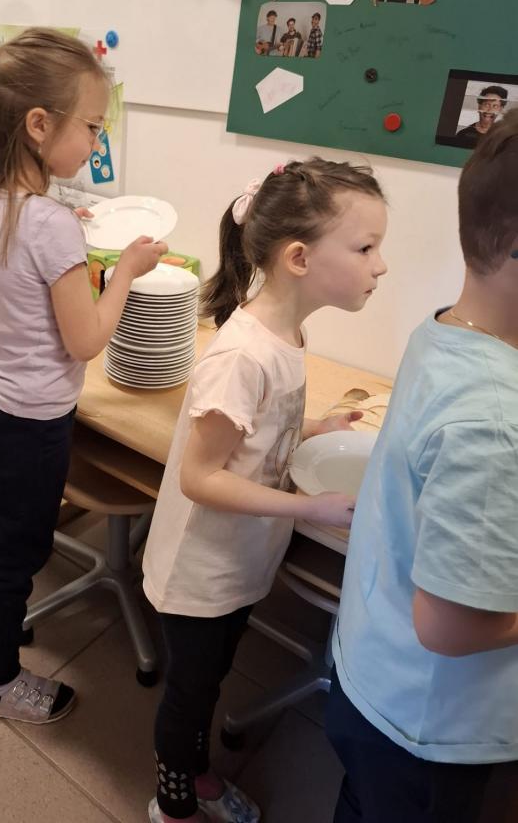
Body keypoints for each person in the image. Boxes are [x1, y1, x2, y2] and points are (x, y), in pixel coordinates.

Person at [142, 158, 388, 823]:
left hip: (240, 558)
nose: (381, 266)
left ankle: (195, 773)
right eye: (366, 248)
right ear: (300, 258)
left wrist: (315, 428)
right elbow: (200, 477)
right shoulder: (241, 355)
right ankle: (173, 801)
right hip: (201, 572)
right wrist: (310, 506)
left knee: (213, 677)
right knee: (191, 694)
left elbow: (257, 432)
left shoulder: (286, 335)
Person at [0, 30, 166, 724]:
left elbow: (23, 286)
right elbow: (88, 340)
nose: (98, 142)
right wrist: (123, 273)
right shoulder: (50, 225)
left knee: (10, 516)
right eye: (92, 126)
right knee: (24, 545)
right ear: (38, 125)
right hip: (34, 418)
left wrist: (72, 242)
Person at [327, 111, 518, 823]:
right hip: (426, 723)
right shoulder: (492, 422)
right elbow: (450, 628)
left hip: (372, 669)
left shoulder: (444, 329)